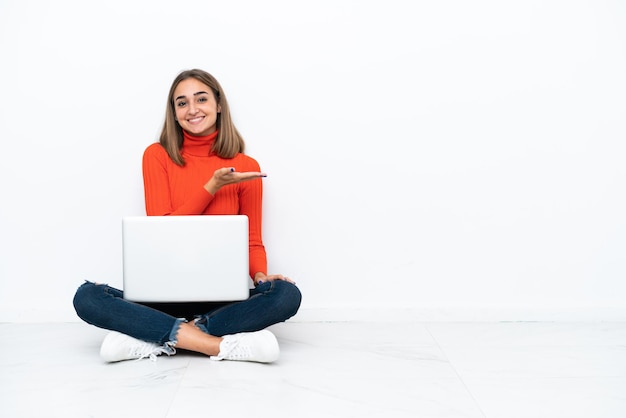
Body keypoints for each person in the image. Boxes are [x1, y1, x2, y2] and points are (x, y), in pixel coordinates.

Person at [73, 69, 302, 363]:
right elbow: (161, 231)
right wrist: (212, 186)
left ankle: (156, 337)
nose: (192, 109)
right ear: (174, 112)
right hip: (160, 299)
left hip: (223, 300)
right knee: (87, 296)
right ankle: (216, 344)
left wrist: (260, 276)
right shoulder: (157, 156)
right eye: (182, 103)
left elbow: (252, 239)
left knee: (286, 294)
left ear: (219, 105)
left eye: (201, 99)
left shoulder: (245, 165)